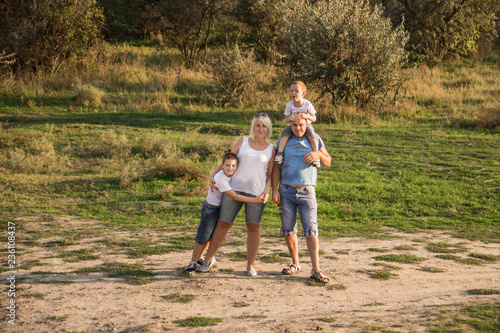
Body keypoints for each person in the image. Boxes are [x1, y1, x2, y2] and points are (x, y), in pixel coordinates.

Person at [198, 114, 276, 276]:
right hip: (234, 189)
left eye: (264, 126)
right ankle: (207, 260)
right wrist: (213, 174)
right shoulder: (243, 141)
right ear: (253, 127)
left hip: (257, 193)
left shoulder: (271, 149)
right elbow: (228, 160)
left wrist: (267, 191)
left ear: (268, 129)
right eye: (258, 125)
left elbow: (270, 174)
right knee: (223, 224)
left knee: (253, 227)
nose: (261, 129)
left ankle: (250, 266)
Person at [272, 117, 331, 283]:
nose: (298, 128)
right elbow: (276, 166)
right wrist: (274, 189)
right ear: (290, 125)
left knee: (311, 230)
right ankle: (295, 263)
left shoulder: (314, 140)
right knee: (288, 229)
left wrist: (318, 153)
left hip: (307, 191)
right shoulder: (283, 141)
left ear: (307, 125)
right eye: (295, 125)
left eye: (301, 125)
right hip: (286, 191)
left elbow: (328, 161)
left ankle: (316, 269)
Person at [186, 152, 264, 272]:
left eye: (233, 166)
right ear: (222, 165)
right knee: (203, 235)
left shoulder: (231, 174)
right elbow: (235, 196)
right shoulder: (220, 178)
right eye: (227, 165)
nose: (231, 168)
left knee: (211, 235)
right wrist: (254, 199)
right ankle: (192, 262)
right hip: (211, 208)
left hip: (219, 206)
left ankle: (201, 258)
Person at [274, 81, 320, 168]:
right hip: (293, 125)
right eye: (291, 91)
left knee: (313, 136)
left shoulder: (307, 104)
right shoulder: (289, 104)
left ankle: (316, 155)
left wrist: (306, 116)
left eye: (296, 91)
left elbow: (314, 118)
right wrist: (290, 118)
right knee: (284, 135)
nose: (293, 93)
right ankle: (280, 154)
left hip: (306, 125)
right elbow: (286, 120)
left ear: (303, 93)